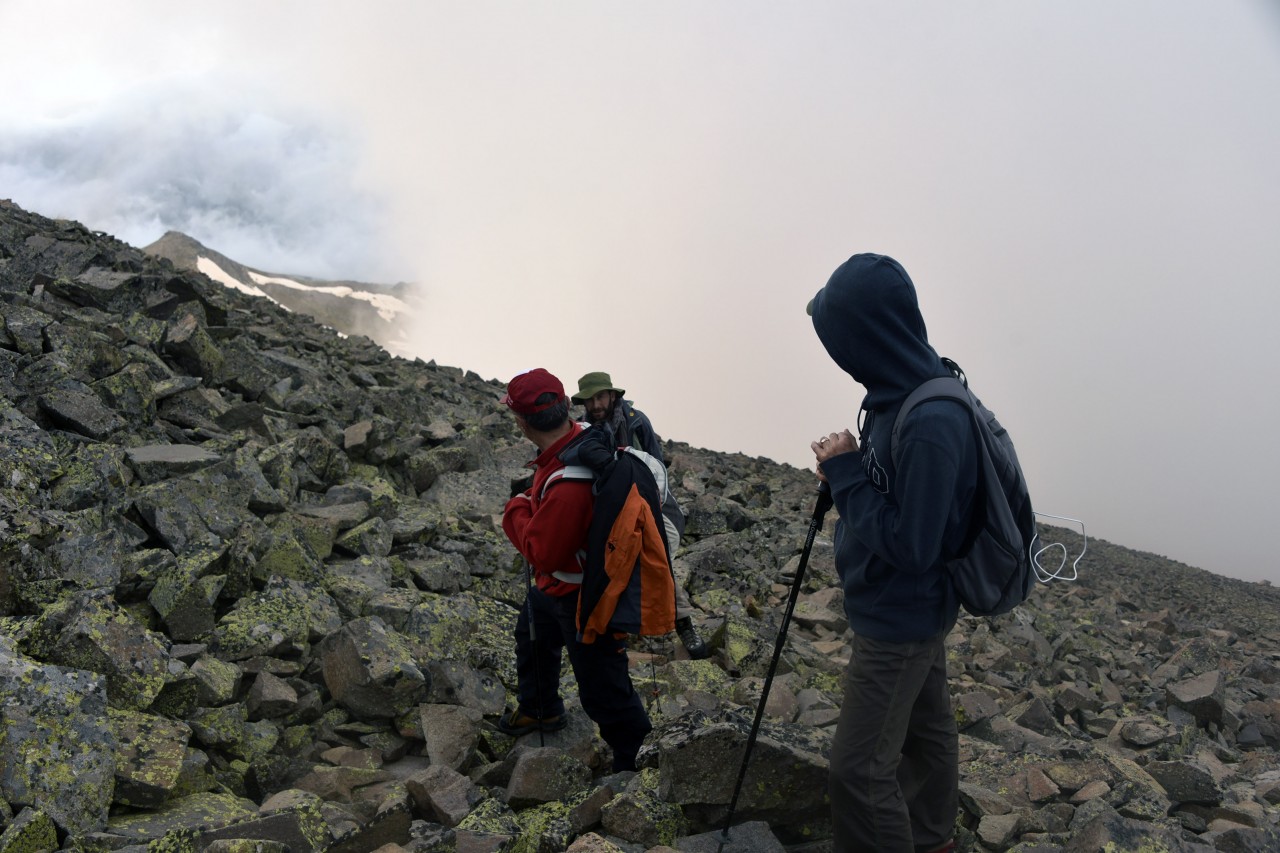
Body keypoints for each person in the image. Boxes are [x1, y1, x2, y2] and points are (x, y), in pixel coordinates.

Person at [807, 254, 967, 853]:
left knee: (857, 770)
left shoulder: (930, 420)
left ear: (865, 335)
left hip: (900, 616)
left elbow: (914, 547)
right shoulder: (897, 393)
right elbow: (901, 497)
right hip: (908, 612)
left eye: (840, 338)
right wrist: (847, 474)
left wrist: (847, 474)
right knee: (927, 734)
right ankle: (932, 838)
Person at [498, 367, 652, 772]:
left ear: (522, 422)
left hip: (583, 598)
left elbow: (542, 552)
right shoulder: (578, 438)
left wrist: (517, 506)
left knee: (603, 690)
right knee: (531, 634)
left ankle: (635, 763)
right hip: (558, 590)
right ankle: (540, 708)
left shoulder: (570, 485)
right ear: (567, 406)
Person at [571, 371, 710, 660]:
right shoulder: (582, 430)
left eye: (600, 397)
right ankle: (616, 624)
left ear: (613, 395)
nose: (596, 405)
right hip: (614, 508)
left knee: (660, 562)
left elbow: (657, 466)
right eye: (589, 400)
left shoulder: (636, 421)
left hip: (656, 505)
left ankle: (682, 622)